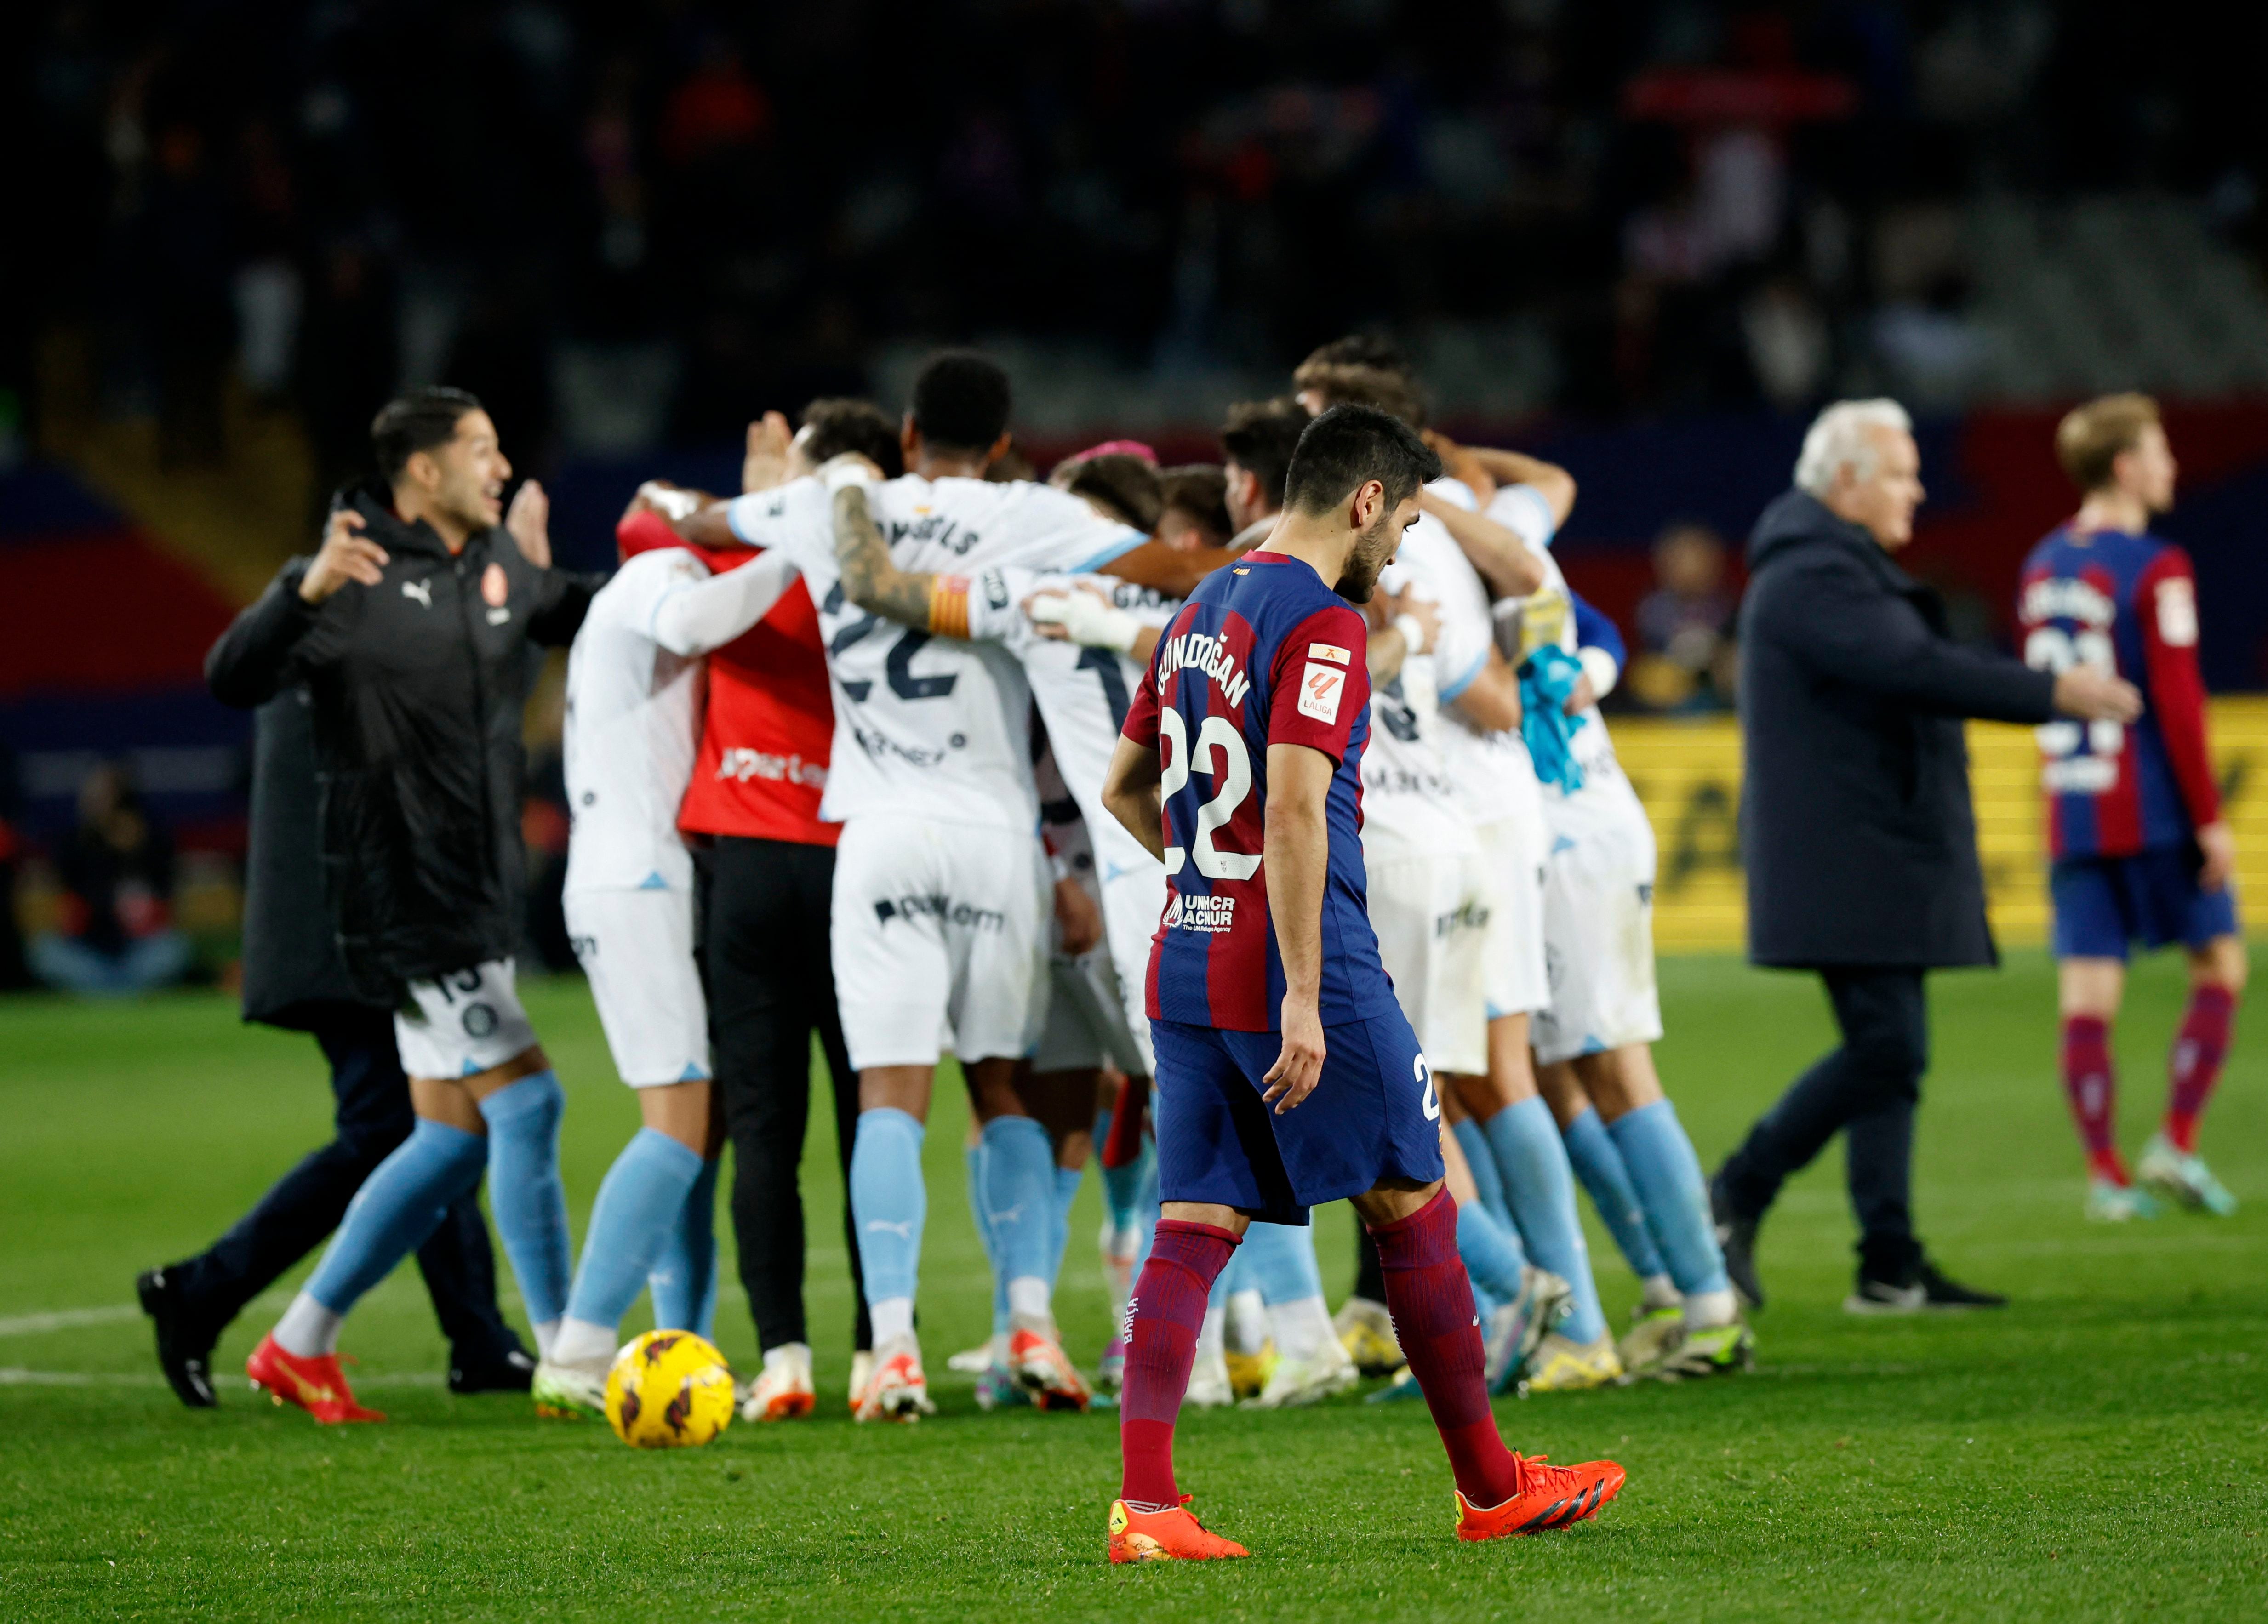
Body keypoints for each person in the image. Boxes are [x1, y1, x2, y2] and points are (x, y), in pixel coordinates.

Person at [1097, 404, 1626, 1561]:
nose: (1403, 546)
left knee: (1192, 1217)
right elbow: (1290, 803)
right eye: (1408, 517)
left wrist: (1207, 879)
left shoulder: (1199, 607)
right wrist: (1295, 986)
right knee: (1413, 1194)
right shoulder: (1324, 621)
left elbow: (1124, 786)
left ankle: (1145, 1504)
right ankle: (1492, 1486)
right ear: (1364, 500)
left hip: (1185, 952)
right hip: (1303, 963)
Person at [664, 352, 1154, 1419]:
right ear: (995, 439)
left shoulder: (833, 501)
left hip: (878, 833)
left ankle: (889, 1352)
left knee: (889, 1093)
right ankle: (1029, 1321)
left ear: (903, 429)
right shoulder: (1026, 511)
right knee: (1000, 1085)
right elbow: (1158, 558)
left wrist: (710, 498)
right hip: (994, 838)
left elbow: (699, 525)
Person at [1710, 399, 2141, 1314]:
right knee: (1888, 1045)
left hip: (1867, 847)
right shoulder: (1813, 573)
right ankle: (1739, 1187)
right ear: (1851, 481)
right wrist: (2052, 689)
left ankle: (1890, 1262)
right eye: (1902, 473)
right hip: (1848, 853)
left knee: (1890, 1052)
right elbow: (1914, 666)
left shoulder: (1823, 564)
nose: (1918, 489)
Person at [223, 387, 601, 1421]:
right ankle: (572, 1345)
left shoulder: (484, 568)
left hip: (471, 890)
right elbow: (233, 675)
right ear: (423, 471)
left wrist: (683, 560)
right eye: (480, 448)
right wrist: (297, 595)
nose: (500, 463)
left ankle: (299, 1342)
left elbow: (584, 609)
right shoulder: (352, 574)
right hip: (408, 897)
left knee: (451, 1139)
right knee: (528, 1100)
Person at [137, 623, 531, 1409]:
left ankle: (478, 1339)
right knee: (408, 1131)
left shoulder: (330, 609)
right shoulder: (351, 612)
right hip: (346, 930)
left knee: (428, 1123)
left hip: (344, 924)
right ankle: (201, 1289)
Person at [618, 398, 902, 1420]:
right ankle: (881, 1352)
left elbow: (640, 522)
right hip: (853, 858)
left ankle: (783, 1356)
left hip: (742, 864)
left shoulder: (739, 562)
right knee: (875, 1117)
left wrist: (755, 502)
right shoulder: (884, 569)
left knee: (764, 1127)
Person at [527, 502, 818, 1418]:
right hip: (640, 880)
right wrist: (798, 547)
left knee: (703, 1117)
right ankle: (577, 1346)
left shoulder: (611, 610)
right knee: (677, 1122)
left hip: (633, 875)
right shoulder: (654, 579)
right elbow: (697, 619)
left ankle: (679, 1334)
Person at [2018, 393, 2244, 1220]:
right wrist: (2208, 816)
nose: (2170, 466)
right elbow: (2176, 701)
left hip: (2070, 805)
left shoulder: (2040, 564)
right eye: (2158, 451)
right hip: (2149, 804)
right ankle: (2174, 1140)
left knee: (2086, 995)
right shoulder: (2156, 566)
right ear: (2124, 467)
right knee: (2220, 963)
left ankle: (2105, 1177)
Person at [30, 765, 192, 995]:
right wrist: (105, 850)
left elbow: (165, 898)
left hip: (140, 952)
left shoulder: (154, 841)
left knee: (173, 948)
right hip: (90, 952)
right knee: (46, 950)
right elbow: (74, 897)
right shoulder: (77, 844)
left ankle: (117, 995)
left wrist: (134, 851)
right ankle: (113, 995)